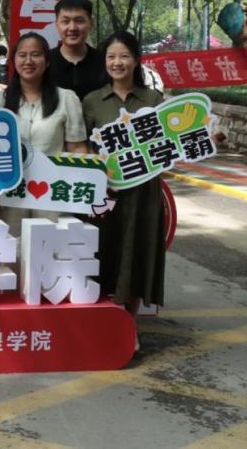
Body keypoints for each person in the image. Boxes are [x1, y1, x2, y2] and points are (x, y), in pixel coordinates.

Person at [83, 31, 166, 333]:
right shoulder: (92, 101)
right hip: (105, 192)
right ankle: (104, 324)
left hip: (144, 193)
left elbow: (169, 143)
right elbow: (83, 148)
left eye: (124, 56)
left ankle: (129, 325)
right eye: (111, 57)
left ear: (136, 60)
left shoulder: (153, 100)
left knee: (138, 252)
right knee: (104, 250)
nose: (117, 62)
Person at [0, 32, 88, 235]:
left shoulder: (67, 99)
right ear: (14, 61)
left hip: (54, 196)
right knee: (13, 248)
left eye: (35, 55)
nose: (28, 61)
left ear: (47, 61)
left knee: (52, 248)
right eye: (22, 55)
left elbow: (77, 148)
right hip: (11, 197)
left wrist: (88, 183)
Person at [48, 0, 106, 101]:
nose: (72, 28)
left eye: (79, 21)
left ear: (91, 23)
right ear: (57, 25)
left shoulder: (104, 62)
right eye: (66, 21)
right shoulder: (45, 62)